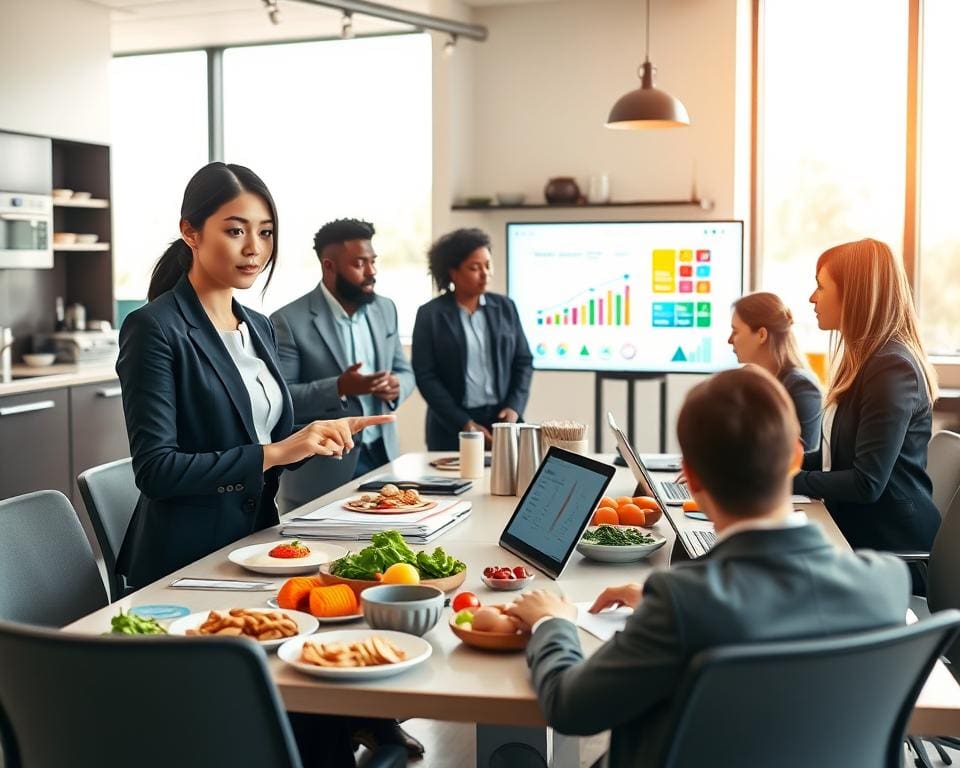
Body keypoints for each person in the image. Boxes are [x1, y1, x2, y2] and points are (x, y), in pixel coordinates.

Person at [115, 162, 396, 767]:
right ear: (190, 231)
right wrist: (279, 451)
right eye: (235, 230)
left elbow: (258, 432)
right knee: (313, 712)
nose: (254, 249)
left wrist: (314, 434)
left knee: (331, 682)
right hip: (184, 563)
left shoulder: (258, 326)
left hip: (254, 549)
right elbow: (157, 469)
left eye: (265, 233)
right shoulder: (155, 328)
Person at [506, 366, 909, 768]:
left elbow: (571, 707)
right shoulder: (886, 582)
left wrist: (551, 622)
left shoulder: (680, 603)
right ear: (795, 459)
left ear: (690, 479)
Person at [793, 238, 940, 590]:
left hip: (892, 551)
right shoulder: (867, 362)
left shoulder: (892, 367)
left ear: (853, 295)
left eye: (821, 286)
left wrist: (778, 483)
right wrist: (777, 466)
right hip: (860, 537)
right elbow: (839, 458)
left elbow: (866, 483)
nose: (812, 298)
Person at [271, 218, 414, 510]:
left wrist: (396, 385)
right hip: (322, 473)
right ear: (329, 266)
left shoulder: (386, 308)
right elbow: (281, 401)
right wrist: (339, 387)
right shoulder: (287, 321)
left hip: (383, 460)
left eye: (373, 261)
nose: (371, 271)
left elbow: (405, 370)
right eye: (360, 263)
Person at [411, 228, 533, 450]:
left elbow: (523, 360)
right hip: (452, 426)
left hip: (503, 421)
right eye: (474, 267)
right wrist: (463, 422)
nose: (485, 273)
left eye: (487, 265)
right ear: (453, 272)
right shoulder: (430, 314)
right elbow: (425, 375)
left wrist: (514, 407)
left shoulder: (505, 307)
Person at [728, 291, 822, 449]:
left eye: (735, 331)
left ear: (761, 335)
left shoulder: (801, 387)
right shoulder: (755, 382)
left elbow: (797, 461)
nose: (729, 340)